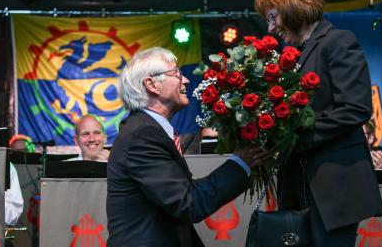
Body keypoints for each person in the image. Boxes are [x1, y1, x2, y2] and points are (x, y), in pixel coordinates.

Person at [254, 0, 382, 246]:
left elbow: (356, 108)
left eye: (272, 17)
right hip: (298, 184)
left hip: (334, 189)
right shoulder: (293, 56)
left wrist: (294, 136)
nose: (270, 28)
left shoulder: (338, 41)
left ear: (293, 7)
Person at [106, 47, 269, 247]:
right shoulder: (142, 135)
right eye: (176, 73)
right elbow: (188, 203)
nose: (186, 81)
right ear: (151, 84)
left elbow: (184, 193)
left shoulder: (148, 130)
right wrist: (239, 163)